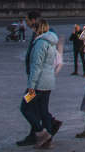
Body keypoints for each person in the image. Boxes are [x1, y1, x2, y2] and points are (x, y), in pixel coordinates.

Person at [17, 11, 62, 146]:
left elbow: (36, 67)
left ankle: (41, 133)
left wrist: (31, 86)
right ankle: (47, 140)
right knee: (42, 110)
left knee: (25, 107)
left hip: (36, 85)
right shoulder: (51, 42)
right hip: (48, 83)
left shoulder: (39, 44)